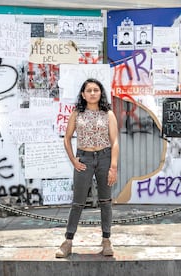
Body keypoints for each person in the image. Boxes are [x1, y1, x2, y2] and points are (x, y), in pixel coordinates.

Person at [55, 78, 119, 258]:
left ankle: (106, 240)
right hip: (84, 158)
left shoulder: (108, 114)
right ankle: (68, 242)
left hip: (105, 158)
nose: (92, 93)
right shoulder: (77, 113)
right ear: (83, 94)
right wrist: (74, 160)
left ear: (101, 93)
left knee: (105, 201)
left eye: (96, 90)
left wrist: (113, 166)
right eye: (88, 90)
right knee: (78, 202)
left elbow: (114, 142)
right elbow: (67, 138)